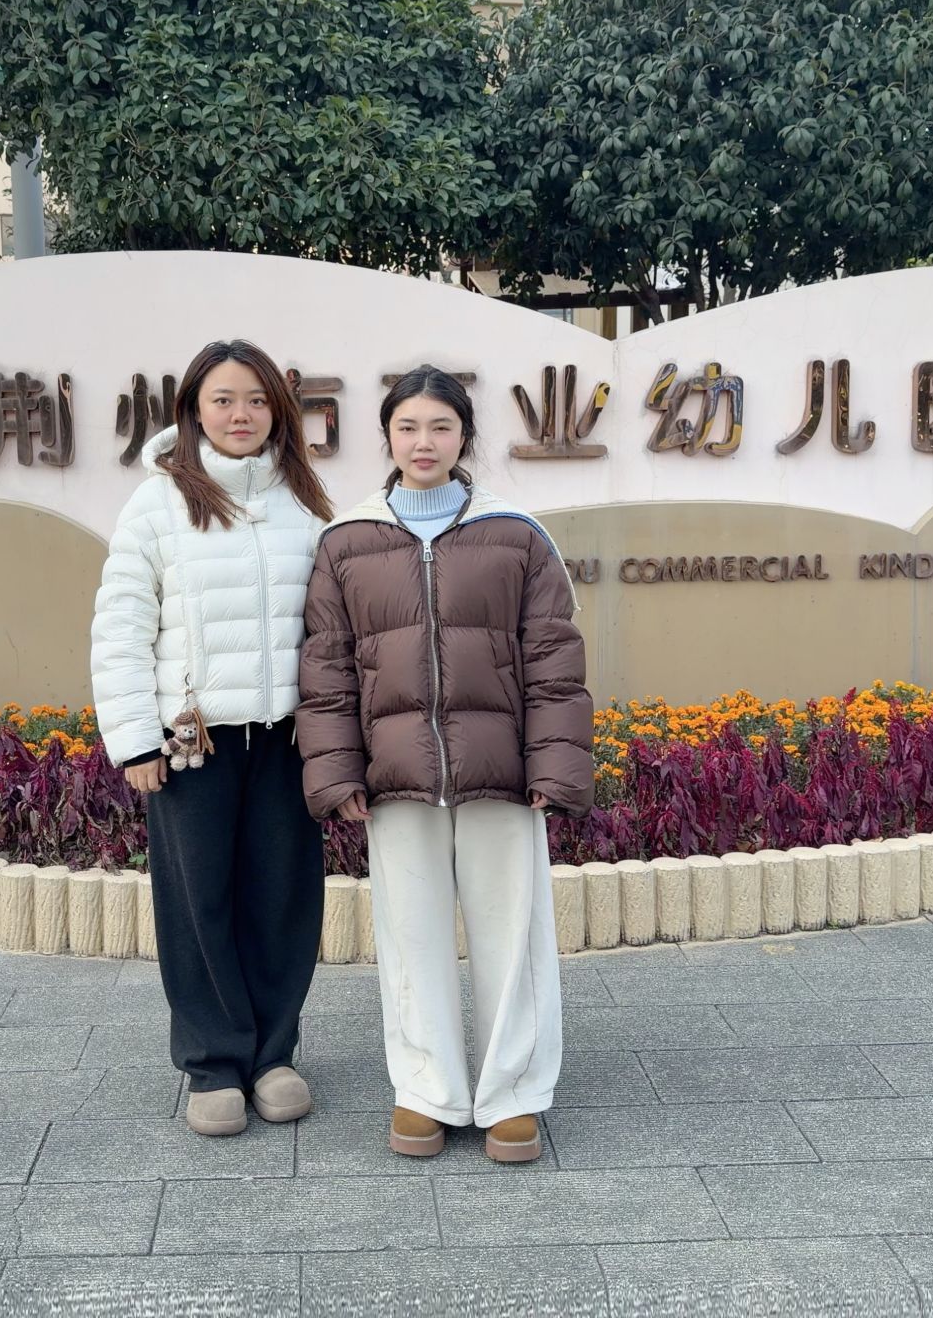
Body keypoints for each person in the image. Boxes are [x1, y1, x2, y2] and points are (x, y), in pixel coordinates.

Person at [296, 365, 593, 1163]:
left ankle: (512, 1094)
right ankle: (425, 1089)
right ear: (387, 436)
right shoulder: (346, 542)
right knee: (410, 934)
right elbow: (326, 669)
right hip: (395, 778)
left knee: (513, 935)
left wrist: (554, 767)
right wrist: (337, 772)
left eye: (440, 427)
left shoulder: (517, 536)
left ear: (465, 436)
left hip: (502, 772)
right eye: (408, 427)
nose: (423, 442)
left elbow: (554, 660)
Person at [90, 339, 332, 1137]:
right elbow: (121, 627)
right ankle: (213, 1061)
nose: (241, 415)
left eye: (257, 400)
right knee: (199, 903)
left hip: (287, 740)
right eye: (223, 399)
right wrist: (135, 740)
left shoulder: (304, 499)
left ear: (278, 409)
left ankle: (273, 1055)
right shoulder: (158, 502)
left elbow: (331, 628)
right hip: (194, 745)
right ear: (194, 408)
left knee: (283, 898)